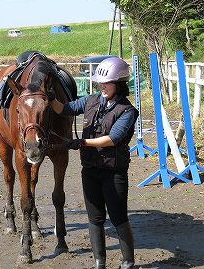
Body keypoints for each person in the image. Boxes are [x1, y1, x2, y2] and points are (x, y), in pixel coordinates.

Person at [50, 57, 138, 269]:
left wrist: (82, 142)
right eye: (100, 83)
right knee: (94, 219)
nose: (102, 87)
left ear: (119, 84)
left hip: (113, 171)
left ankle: (127, 262)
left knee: (118, 218)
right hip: (90, 170)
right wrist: (51, 98)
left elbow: (113, 138)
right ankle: (100, 263)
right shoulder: (91, 100)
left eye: (106, 84)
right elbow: (65, 109)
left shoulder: (127, 111)